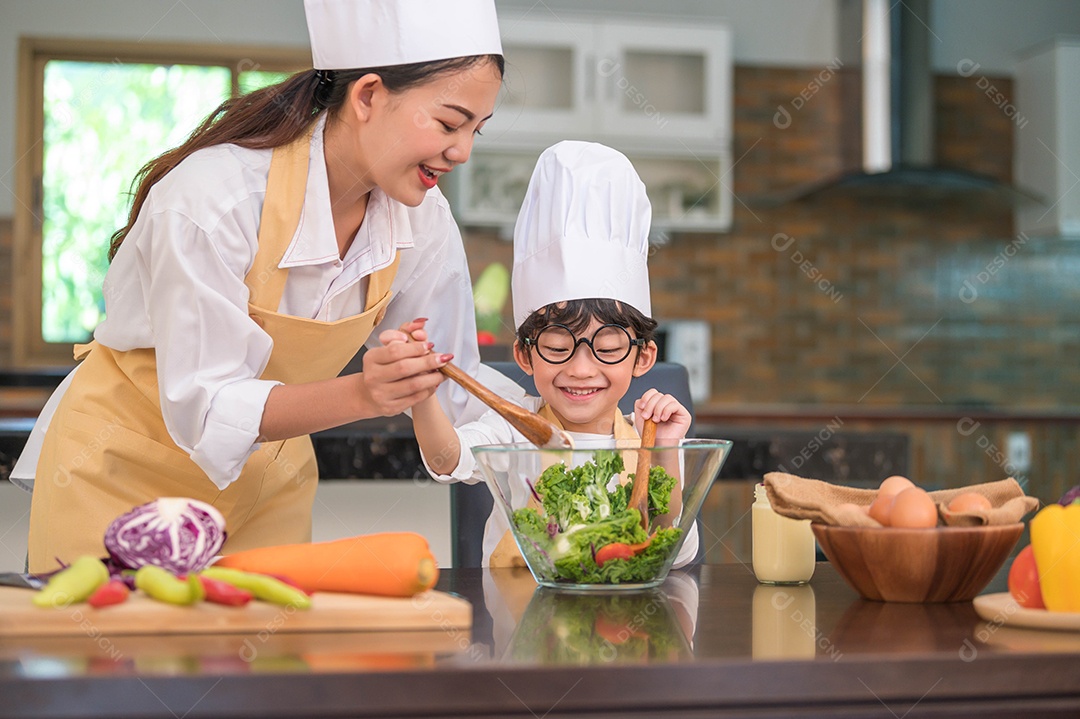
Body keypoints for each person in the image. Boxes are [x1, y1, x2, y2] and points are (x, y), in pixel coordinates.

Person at [15, 0, 504, 573]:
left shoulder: (423, 221)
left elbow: (455, 390)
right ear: (368, 95)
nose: (463, 151)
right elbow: (206, 405)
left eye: (476, 128)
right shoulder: (212, 200)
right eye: (449, 123)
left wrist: (569, 435)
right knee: (117, 657)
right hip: (119, 478)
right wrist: (366, 394)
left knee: (264, 658)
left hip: (268, 487)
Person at [386, 140, 700, 568]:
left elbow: (675, 552)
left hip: (625, 627)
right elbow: (448, 460)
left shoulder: (644, 438)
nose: (581, 369)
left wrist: (662, 452)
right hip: (522, 623)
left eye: (607, 349)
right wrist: (421, 394)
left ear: (643, 357)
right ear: (525, 355)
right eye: (557, 348)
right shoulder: (515, 431)